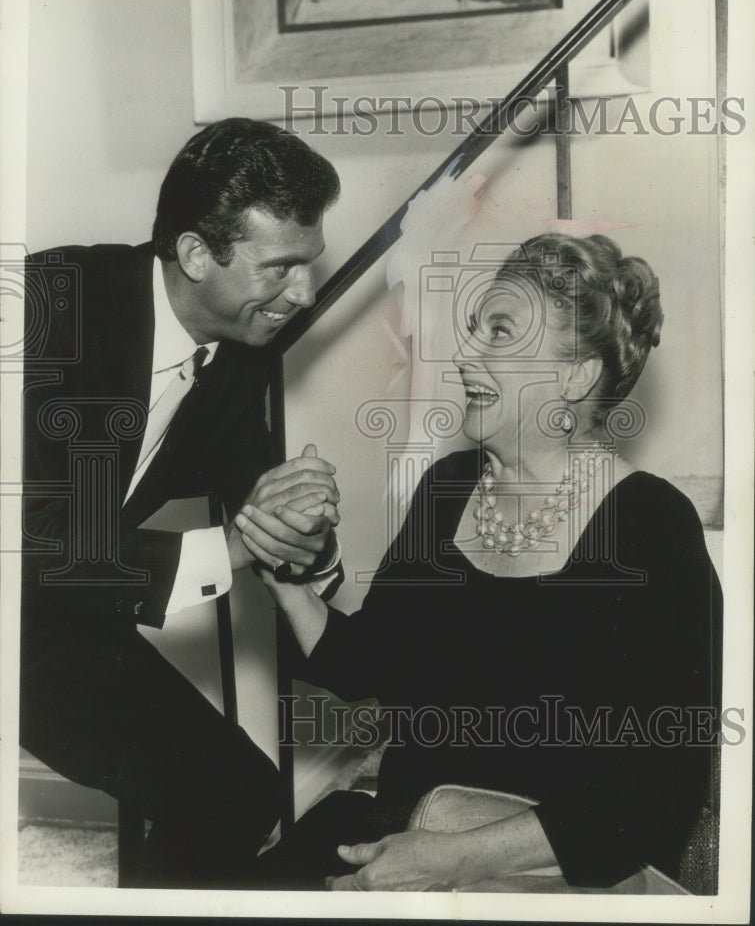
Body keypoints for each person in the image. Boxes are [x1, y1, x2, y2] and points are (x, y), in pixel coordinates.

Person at [250, 233, 722, 892]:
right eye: (473, 329)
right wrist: (284, 570)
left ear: (575, 375)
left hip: (557, 876)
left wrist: (447, 859)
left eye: (498, 333)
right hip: (402, 837)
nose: (465, 353)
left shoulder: (650, 527)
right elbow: (363, 667)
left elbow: (651, 796)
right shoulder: (448, 489)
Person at [20, 118, 342, 888]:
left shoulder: (237, 349)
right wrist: (236, 547)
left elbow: (258, 501)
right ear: (197, 253)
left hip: (56, 623)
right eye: (280, 268)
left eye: (310, 265)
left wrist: (302, 524)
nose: (301, 295)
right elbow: (24, 533)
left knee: (237, 795)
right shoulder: (47, 306)